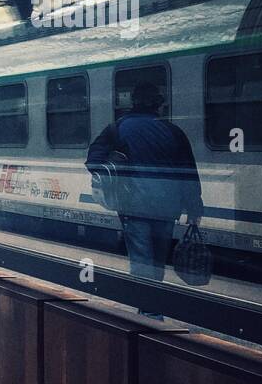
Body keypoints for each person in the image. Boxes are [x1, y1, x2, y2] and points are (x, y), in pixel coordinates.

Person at [86, 81, 203, 285]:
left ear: (133, 103)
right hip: (166, 208)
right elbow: (188, 174)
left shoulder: (117, 129)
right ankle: (153, 304)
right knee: (158, 262)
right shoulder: (173, 131)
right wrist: (194, 209)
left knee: (141, 260)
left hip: (133, 207)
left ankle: (149, 311)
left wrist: (116, 165)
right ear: (158, 105)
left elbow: (93, 162)